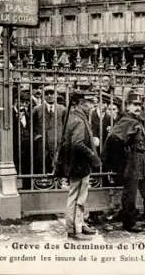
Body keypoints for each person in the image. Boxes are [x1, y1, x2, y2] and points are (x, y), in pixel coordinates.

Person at [102, 89, 145, 233]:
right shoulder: (126, 121)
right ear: (127, 106)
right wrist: (123, 158)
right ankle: (129, 223)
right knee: (130, 194)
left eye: (139, 105)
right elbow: (114, 138)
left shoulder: (136, 120)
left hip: (142, 162)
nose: (138, 107)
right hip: (131, 162)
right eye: (134, 104)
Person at [55, 86, 100, 240]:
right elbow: (77, 144)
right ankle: (74, 230)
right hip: (79, 165)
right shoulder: (79, 120)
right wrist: (92, 155)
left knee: (78, 197)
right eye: (90, 103)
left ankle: (78, 225)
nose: (92, 106)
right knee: (76, 199)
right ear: (81, 103)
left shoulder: (76, 117)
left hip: (77, 164)